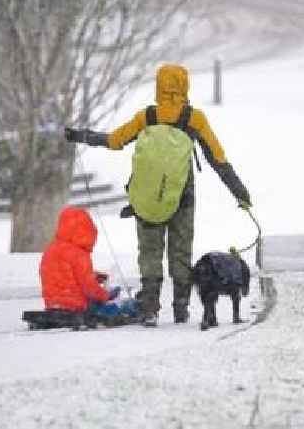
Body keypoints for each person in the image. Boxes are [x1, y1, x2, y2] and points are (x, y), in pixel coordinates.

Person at [64, 64, 251, 327]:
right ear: (184, 86)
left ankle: (149, 307)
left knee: (150, 253)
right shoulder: (193, 118)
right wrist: (240, 193)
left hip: (147, 197)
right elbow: (217, 159)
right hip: (182, 198)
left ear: (158, 86)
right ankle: (181, 309)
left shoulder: (147, 116)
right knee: (181, 253)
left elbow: (115, 140)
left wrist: (83, 136)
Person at [40, 205, 123, 318]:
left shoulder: (51, 249)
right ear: (87, 230)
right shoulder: (79, 254)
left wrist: (93, 276)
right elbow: (88, 287)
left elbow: (64, 274)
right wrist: (106, 295)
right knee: (117, 309)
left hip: (52, 304)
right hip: (75, 305)